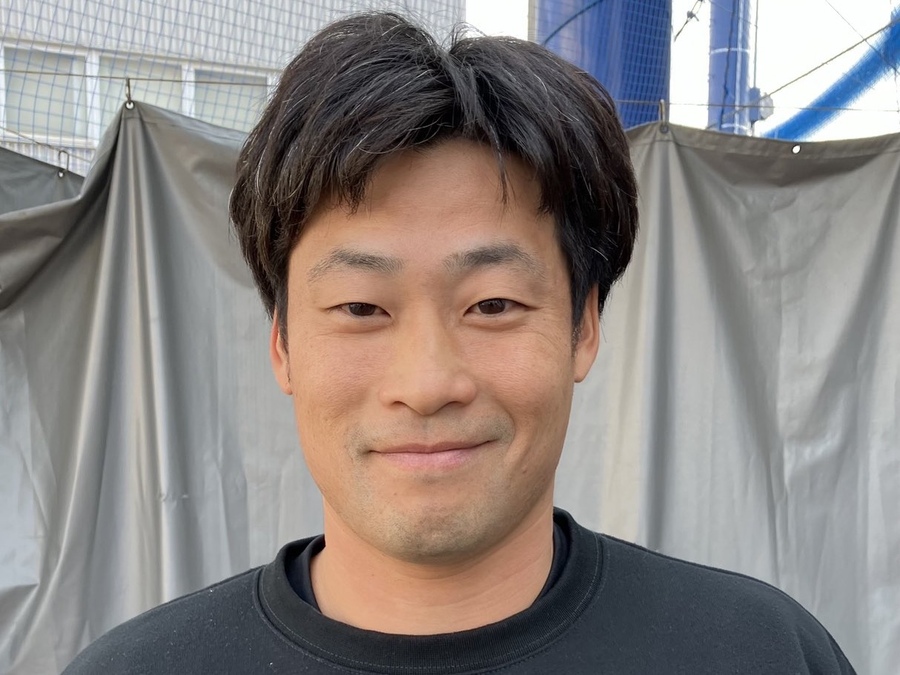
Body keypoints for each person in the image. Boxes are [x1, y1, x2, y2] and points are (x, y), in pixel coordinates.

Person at [65, 12, 855, 674]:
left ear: (583, 326)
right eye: (361, 307)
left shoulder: (761, 652)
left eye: (493, 303)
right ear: (282, 345)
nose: (427, 382)